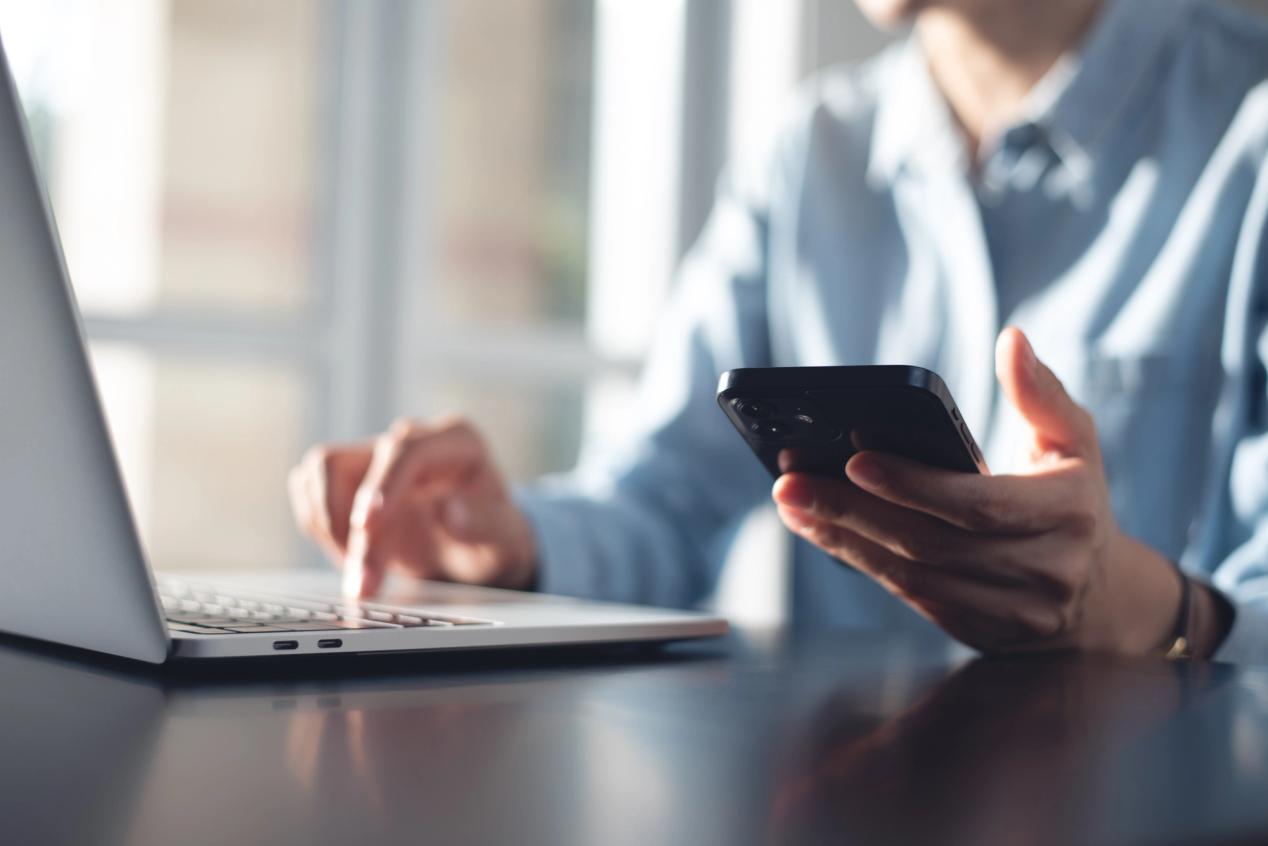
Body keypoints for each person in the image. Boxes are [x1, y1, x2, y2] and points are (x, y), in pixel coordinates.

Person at [289, 0, 1268, 663]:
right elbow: (664, 503)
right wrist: (507, 545)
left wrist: (1147, 611)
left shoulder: (1248, 124)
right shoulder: (811, 154)